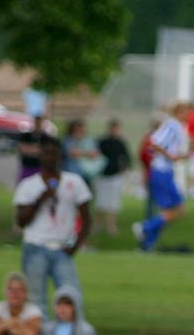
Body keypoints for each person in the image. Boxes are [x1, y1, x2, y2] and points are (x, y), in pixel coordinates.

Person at [13, 137, 92, 307]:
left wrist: (76, 245)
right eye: (46, 153)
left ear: (60, 157)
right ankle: (40, 333)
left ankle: (69, 333)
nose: (50, 158)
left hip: (62, 247)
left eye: (53, 154)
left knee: (71, 296)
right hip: (35, 246)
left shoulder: (75, 182)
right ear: (40, 156)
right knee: (35, 300)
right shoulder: (28, 185)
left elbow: (86, 218)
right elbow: (21, 221)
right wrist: (40, 199)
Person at [134, 102, 190, 252]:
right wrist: (170, 155)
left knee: (173, 212)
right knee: (174, 211)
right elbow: (154, 144)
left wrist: (181, 155)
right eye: (185, 111)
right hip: (161, 171)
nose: (188, 115)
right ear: (178, 112)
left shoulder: (177, 127)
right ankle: (145, 228)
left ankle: (147, 244)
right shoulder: (172, 125)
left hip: (166, 172)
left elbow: (167, 150)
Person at [95, 120, 132, 237]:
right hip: (102, 175)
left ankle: (111, 225)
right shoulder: (102, 142)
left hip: (115, 175)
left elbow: (127, 158)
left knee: (113, 202)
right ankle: (99, 223)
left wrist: (123, 169)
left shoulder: (120, 143)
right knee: (101, 201)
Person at [62, 119, 103, 187]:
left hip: (87, 175)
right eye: (77, 130)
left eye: (82, 130)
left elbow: (96, 152)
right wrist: (87, 154)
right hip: (71, 174)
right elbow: (72, 152)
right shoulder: (68, 140)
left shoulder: (88, 140)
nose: (80, 132)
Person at [17, 115, 48, 184]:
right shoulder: (26, 136)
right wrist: (36, 149)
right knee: (23, 185)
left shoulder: (45, 137)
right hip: (27, 166)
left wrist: (30, 149)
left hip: (39, 167)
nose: (38, 125)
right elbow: (23, 149)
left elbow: (45, 151)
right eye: (36, 123)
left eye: (39, 123)